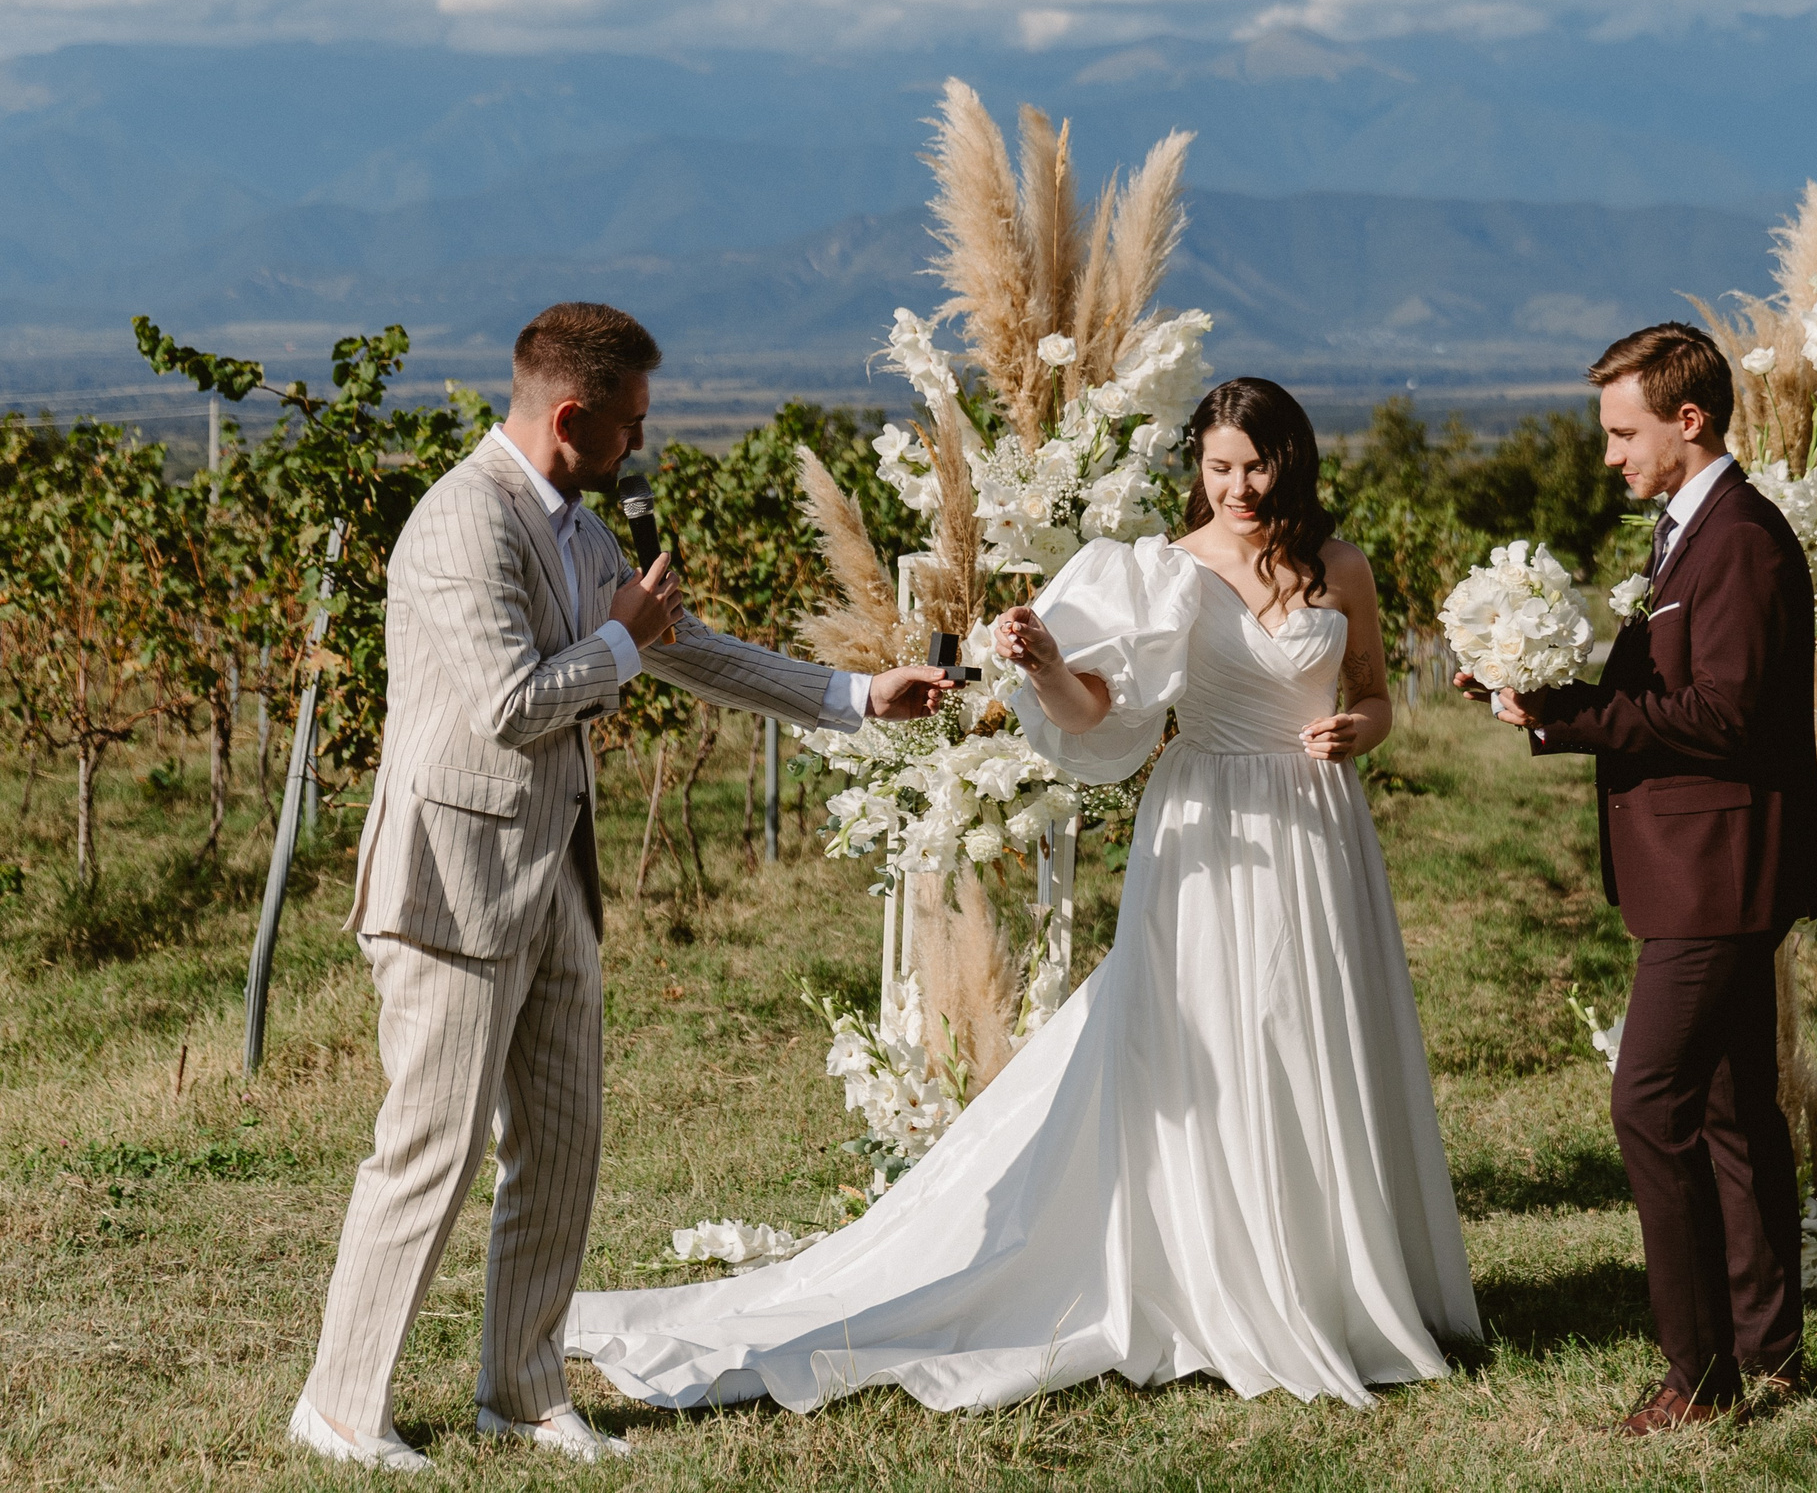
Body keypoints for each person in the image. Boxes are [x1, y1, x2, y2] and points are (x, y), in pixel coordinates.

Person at [564, 375, 1479, 1414]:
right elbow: (1095, 712)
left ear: (1293, 460)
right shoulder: (1167, 576)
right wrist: (1042, 660)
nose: (1237, 486)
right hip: (1210, 825)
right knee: (1221, 1040)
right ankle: (1223, 1275)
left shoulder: (1340, 569)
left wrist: (1361, 729)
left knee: (1319, 1037)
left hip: (1319, 828)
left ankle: (1337, 1281)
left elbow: (1368, 688)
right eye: (1217, 466)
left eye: (1256, 465)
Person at [291, 301, 953, 1470]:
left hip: (555, 878)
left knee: (562, 1140)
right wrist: (622, 645)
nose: (640, 449)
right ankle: (342, 1405)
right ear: (572, 415)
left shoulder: (573, 523)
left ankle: (522, 1388)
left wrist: (852, 697)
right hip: (453, 883)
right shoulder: (461, 525)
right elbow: (511, 709)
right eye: (629, 426)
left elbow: (683, 642)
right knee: (430, 1149)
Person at [1465, 322, 1817, 1434]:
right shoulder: (1690, 536)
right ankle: (1768, 1355)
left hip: (1722, 870)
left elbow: (1724, 714)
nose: (1609, 455)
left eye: (1623, 433)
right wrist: (1538, 687)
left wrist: (1572, 716)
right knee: (1727, 1111)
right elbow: (1683, 686)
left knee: (1648, 1102)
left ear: (1689, 420)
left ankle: (1698, 1373)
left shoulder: (1743, 542)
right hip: (1697, 869)